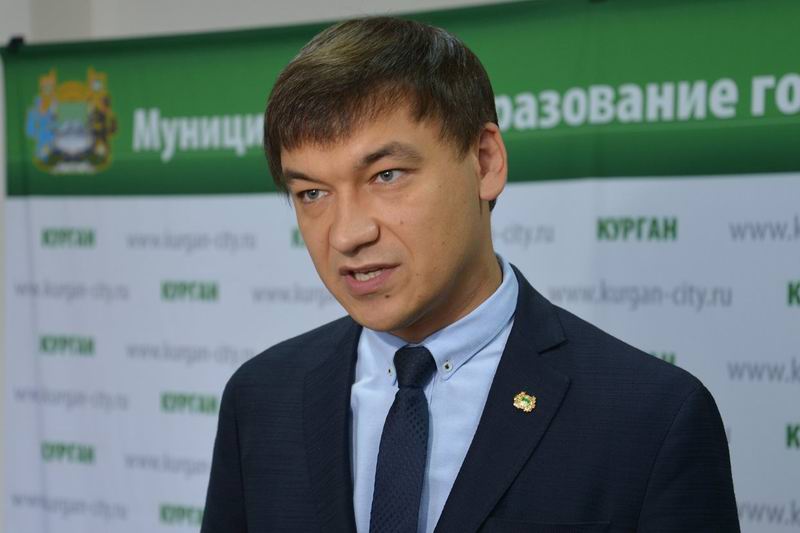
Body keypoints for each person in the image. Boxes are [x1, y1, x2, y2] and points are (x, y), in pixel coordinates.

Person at [201, 17, 739, 533]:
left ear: (484, 162)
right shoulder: (259, 399)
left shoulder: (652, 417)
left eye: (386, 175)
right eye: (312, 193)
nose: (346, 234)